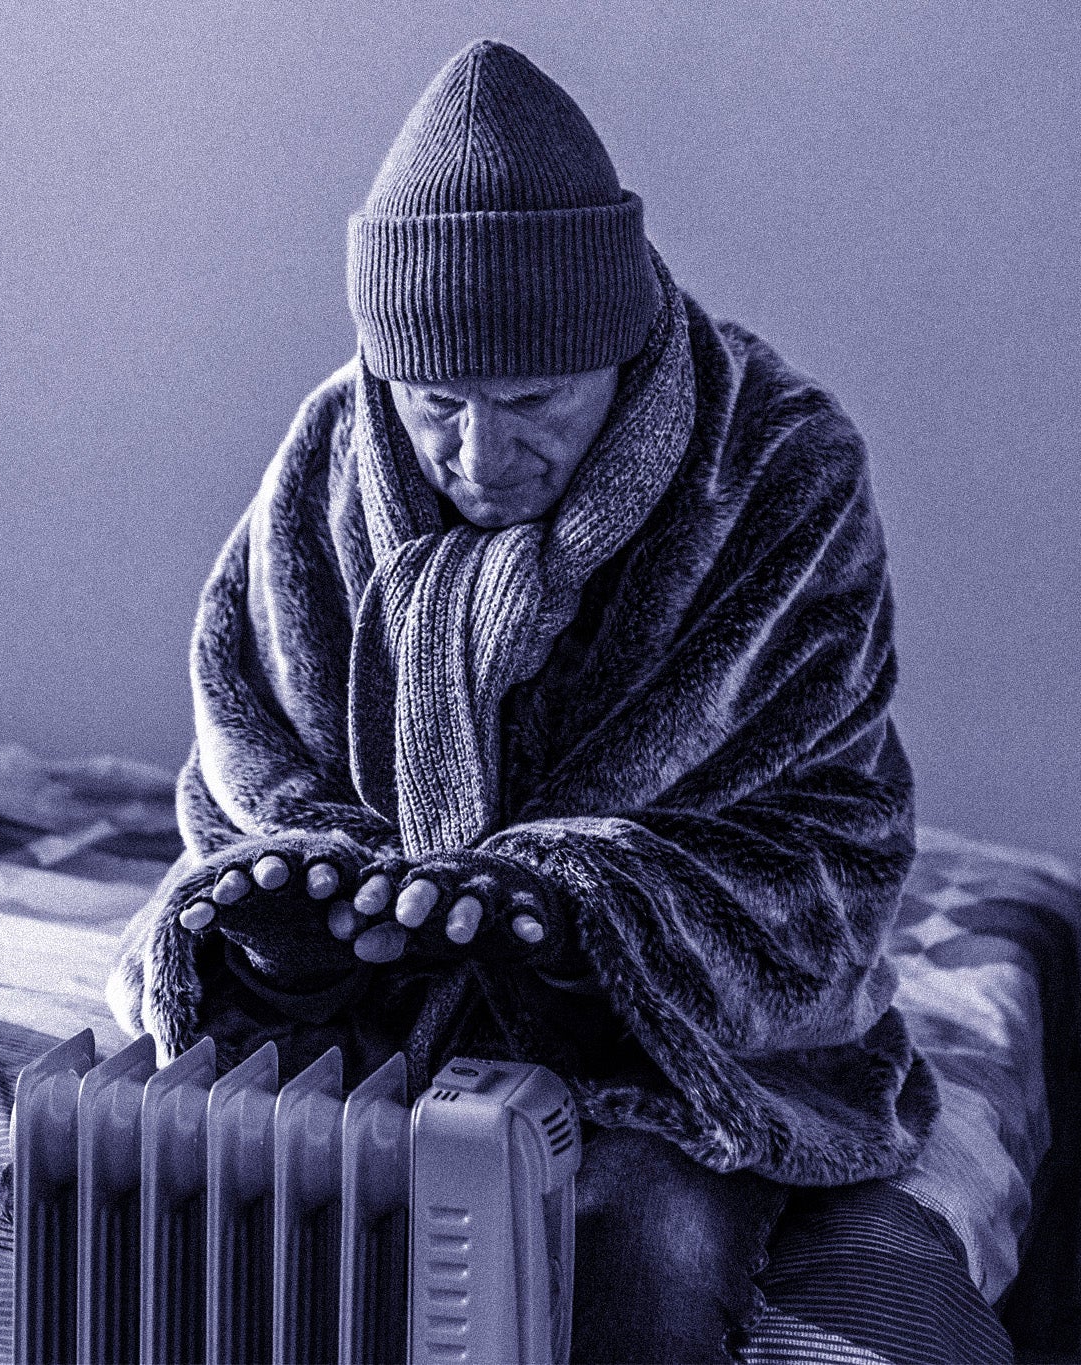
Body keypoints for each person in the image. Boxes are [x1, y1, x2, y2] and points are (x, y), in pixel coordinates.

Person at [110, 38, 939, 1363]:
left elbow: (826, 839)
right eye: (436, 404)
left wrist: (579, 914)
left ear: (617, 343)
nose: (480, 457)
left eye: (534, 399)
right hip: (383, 1017)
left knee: (637, 1235)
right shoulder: (330, 450)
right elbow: (244, 757)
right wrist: (304, 913)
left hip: (684, 1053)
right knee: (215, 1187)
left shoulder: (783, 466)